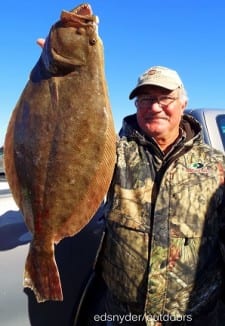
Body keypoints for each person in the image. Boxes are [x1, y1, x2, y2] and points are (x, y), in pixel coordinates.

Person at [92, 65, 225, 326]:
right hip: (125, 314)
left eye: (165, 98)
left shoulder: (215, 164)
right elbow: (71, 151)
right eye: (146, 99)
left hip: (196, 313)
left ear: (183, 102)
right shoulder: (112, 156)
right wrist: (67, 74)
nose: (154, 107)